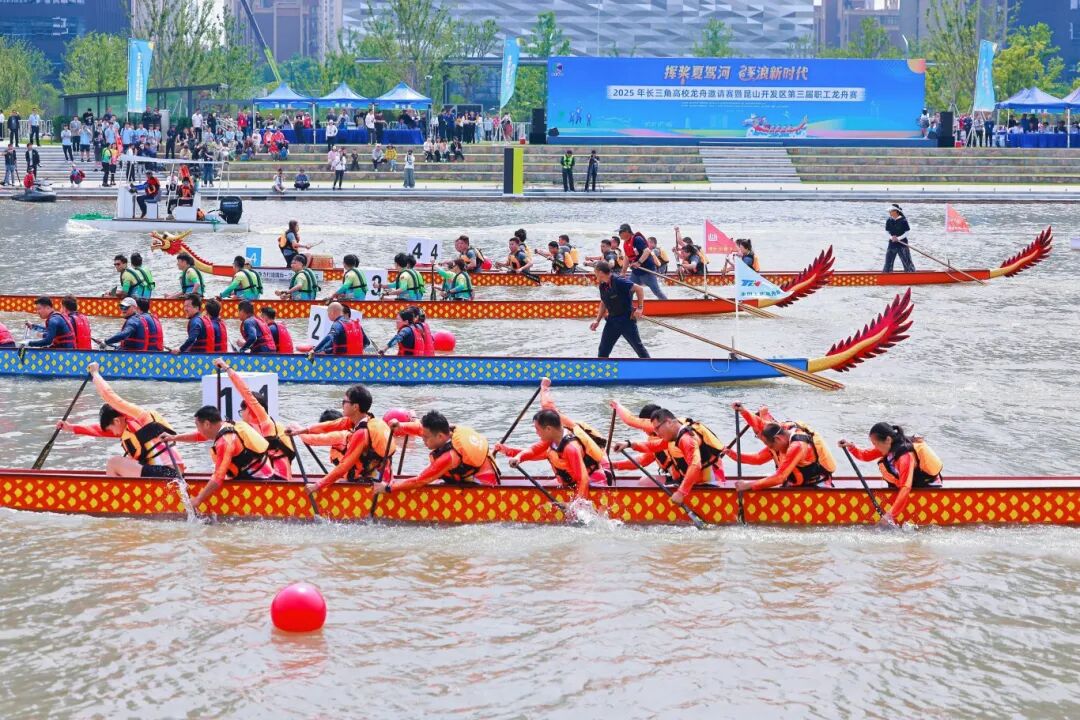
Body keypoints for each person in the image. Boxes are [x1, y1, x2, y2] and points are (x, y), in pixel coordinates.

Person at [53, 362, 182, 478]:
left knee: (113, 463)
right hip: (165, 472)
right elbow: (97, 430)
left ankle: (112, 495)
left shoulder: (140, 417)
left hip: (169, 473)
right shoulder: (130, 428)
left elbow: (109, 396)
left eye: (111, 429)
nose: (114, 434)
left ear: (116, 421)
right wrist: (71, 428)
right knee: (122, 465)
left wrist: (95, 373)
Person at [289, 384, 397, 489]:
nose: (342, 405)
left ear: (355, 407)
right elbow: (330, 425)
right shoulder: (366, 419)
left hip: (376, 485)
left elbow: (344, 466)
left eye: (344, 402)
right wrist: (302, 430)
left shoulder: (361, 433)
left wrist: (317, 485)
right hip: (384, 476)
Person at [613, 408, 726, 505]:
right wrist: (629, 444)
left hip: (709, 484)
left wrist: (681, 492)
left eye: (657, 428)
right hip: (697, 481)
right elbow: (654, 446)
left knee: (646, 483)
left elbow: (695, 465)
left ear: (669, 422)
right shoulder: (676, 434)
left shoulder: (687, 439)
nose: (657, 433)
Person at [839, 423, 943, 527]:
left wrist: (889, 515)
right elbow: (866, 456)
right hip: (909, 483)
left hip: (926, 485)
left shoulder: (905, 456)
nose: (875, 447)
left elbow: (906, 487)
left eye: (875, 444)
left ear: (888, 439)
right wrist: (851, 447)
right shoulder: (889, 446)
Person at [373, 410, 498, 495]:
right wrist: (400, 425)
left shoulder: (450, 457)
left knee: (428, 480)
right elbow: (420, 429)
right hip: (479, 474)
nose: (422, 439)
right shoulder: (449, 431)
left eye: (426, 437)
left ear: (440, 437)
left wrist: (388, 488)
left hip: (483, 485)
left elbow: (420, 480)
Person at [212, 359, 296, 480]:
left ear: (250, 409)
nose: (241, 414)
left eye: (242, 410)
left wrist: (226, 367)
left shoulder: (264, 421)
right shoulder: (248, 429)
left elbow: (245, 392)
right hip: (266, 476)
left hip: (278, 478)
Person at [183, 405, 276, 511]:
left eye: (197, 426)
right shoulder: (226, 425)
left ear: (207, 424)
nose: (198, 430)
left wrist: (198, 499)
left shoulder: (225, 441)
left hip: (259, 482)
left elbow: (218, 477)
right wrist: (173, 438)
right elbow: (199, 436)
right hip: (264, 476)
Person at [727, 420, 837, 492]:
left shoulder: (797, 445)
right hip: (797, 485)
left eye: (770, 446)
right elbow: (758, 458)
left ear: (778, 439)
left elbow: (780, 477)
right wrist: (731, 454)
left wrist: (748, 485)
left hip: (817, 486)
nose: (770, 448)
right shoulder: (780, 441)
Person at [590, 260, 649, 358]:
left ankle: (650, 366)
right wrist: (597, 320)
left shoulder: (619, 281)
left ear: (600, 272)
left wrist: (640, 308)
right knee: (603, 350)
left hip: (626, 320)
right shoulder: (602, 285)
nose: (594, 274)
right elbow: (603, 303)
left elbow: (639, 289)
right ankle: (602, 367)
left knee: (639, 349)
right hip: (612, 321)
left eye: (595, 272)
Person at [620, 223, 668, 299]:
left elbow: (647, 251)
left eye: (620, 232)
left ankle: (667, 303)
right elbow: (627, 257)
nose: (619, 235)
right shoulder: (626, 243)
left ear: (626, 232)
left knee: (656, 291)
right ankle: (628, 305)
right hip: (636, 272)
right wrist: (623, 272)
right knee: (629, 290)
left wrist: (639, 263)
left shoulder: (637, 239)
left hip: (647, 271)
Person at [884, 204, 915, 272]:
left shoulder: (903, 220)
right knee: (888, 262)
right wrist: (891, 237)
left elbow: (907, 232)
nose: (889, 212)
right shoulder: (889, 220)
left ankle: (911, 273)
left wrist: (898, 238)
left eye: (891, 211)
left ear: (896, 211)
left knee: (907, 261)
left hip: (902, 243)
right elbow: (886, 231)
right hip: (892, 243)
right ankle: (887, 274)